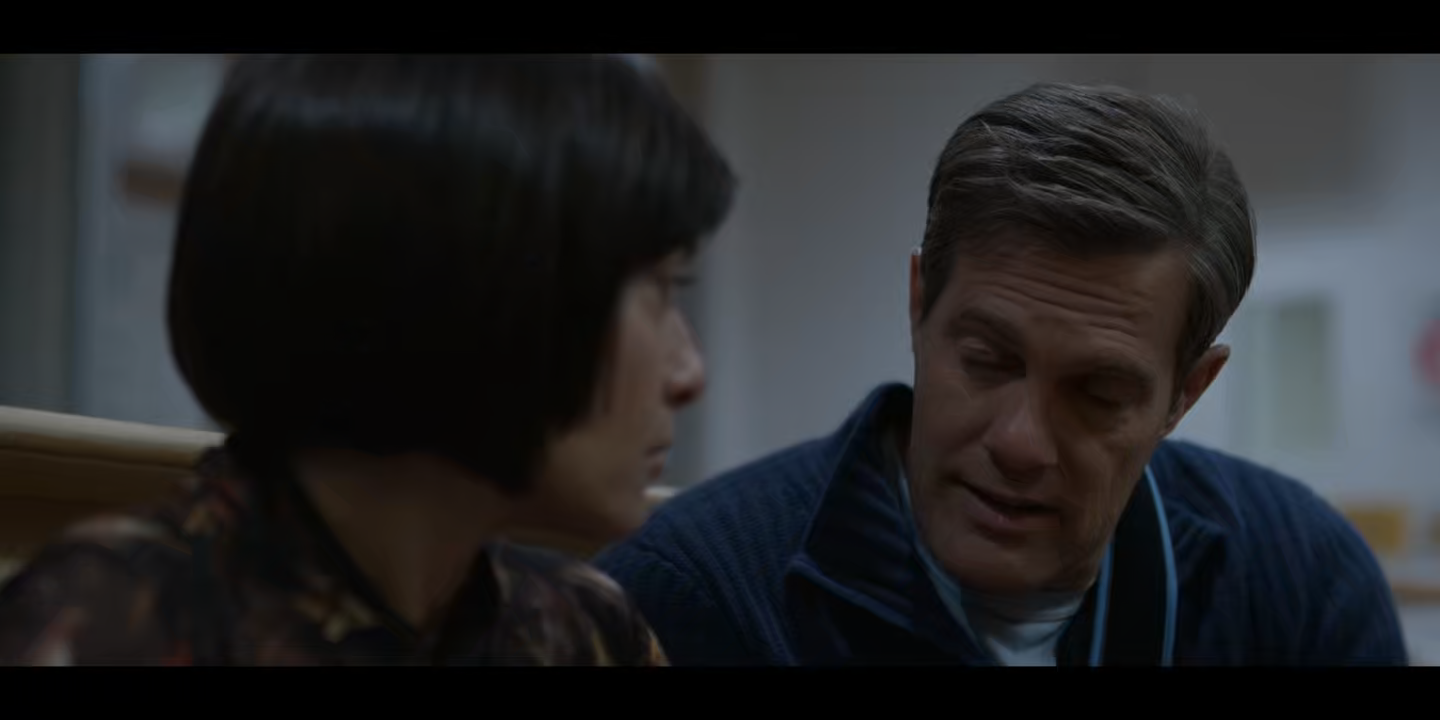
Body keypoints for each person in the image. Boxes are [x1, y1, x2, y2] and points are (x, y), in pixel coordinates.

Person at [593, 82, 1408, 666]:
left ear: (1185, 394)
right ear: (919, 305)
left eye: (1097, 394)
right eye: (986, 362)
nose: (1020, 443)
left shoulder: (1296, 581)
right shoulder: (692, 597)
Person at [0, 54, 735, 665]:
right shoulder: (106, 627)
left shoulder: (583, 633)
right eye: (658, 290)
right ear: (475, 288)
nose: (689, 374)